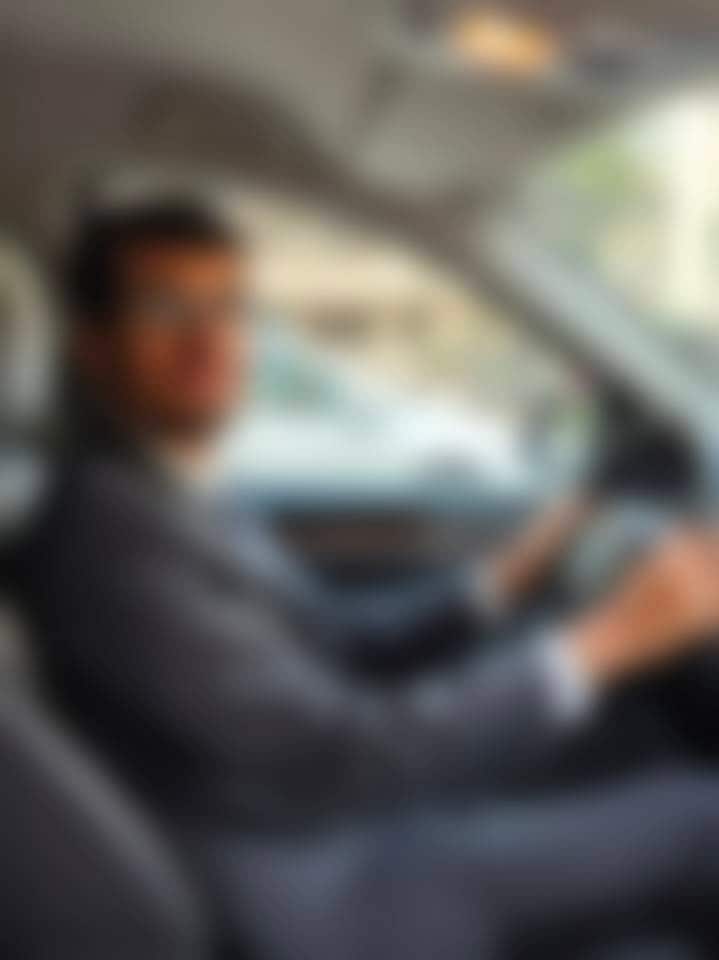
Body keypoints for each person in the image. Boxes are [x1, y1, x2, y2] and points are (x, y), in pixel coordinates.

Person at [13, 194, 719, 960]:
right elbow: (338, 755)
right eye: (165, 310)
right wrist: (609, 640)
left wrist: (526, 561)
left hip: (325, 825)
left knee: (621, 750)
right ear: (92, 346)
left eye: (227, 308)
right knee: (697, 815)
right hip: (323, 893)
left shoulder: (168, 491)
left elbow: (339, 638)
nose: (209, 341)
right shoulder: (108, 539)